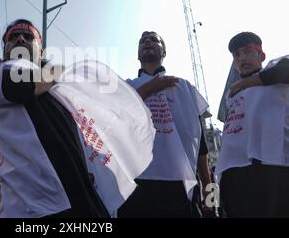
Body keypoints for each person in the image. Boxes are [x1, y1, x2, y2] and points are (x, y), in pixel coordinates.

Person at [0, 19, 109, 218]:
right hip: (36, 209)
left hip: (79, 197)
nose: (21, 38)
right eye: (13, 37)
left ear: (40, 52)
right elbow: (33, 80)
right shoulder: (0, 73)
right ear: (4, 52)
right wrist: (61, 69)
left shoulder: (58, 91)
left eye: (29, 37)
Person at [118, 31, 211, 217]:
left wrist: (211, 198)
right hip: (134, 185)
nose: (147, 42)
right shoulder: (125, 86)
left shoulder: (184, 87)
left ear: (164, 51)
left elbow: (201, 148)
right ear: (137, 53)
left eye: (154, 39)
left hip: (179, 185)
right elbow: (114, 119)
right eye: (143, 40)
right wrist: (148, 89)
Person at [216, 32, 289, 217]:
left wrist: (247, 83)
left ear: (261, 55)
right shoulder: (231, 93)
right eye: (237, 54)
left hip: (273, 169)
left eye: (247, 51)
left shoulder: (276, 75)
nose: (242, 58)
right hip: (236, 175)